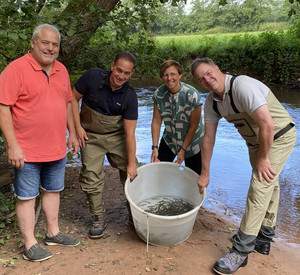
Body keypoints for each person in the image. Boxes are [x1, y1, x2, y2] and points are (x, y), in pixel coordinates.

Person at [191, 57, 296, 275]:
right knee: (270, 185)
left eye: (209, 73)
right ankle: (264, 238)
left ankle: (240, 251)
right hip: (255, 142)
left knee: (260, 186)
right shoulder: (212, 102)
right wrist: (205, 173)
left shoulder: (242, 87)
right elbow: (208, 139)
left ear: (217, 69)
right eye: (202, 79)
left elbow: (267, 123)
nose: (208, 80)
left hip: (278, 136)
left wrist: (263, 158)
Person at [0, 24, 80, 262]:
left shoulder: (62, 70)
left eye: (55, 44)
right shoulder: (15, 70)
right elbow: (3, 109)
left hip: (56, 147)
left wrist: (72, 133)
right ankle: (29, 243)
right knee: (26, 196)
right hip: (26, 150)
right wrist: (12, 144)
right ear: (33, 43)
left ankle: (53, 233)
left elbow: (67, 103)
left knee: (53, 191)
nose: (50, 48)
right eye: (45, 43)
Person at [72, 52, 138, 239]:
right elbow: (71, 99)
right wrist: (77, 129)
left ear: (131, 74)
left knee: (133, 172)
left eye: (126, 73)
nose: (121, 76)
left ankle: (135, 213)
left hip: (117, 137)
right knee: (90, 176)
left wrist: (131, 163)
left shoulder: (130, 96)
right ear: (112, 66)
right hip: (89, 135)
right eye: (119, 70)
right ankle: (98, 217)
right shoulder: (92, 77)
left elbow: (130, 133)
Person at [151, 60, 204, 174]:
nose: (169, 78)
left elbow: (193, 126)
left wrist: (183, 150)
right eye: (165, 75)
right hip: (170, 139)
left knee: (194, 176)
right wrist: (155, 148)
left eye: (173, 74)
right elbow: (156, 121)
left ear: (180, 75)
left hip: (193, 142)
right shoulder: (159, 94)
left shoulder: (192, 95)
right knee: (161, 171)